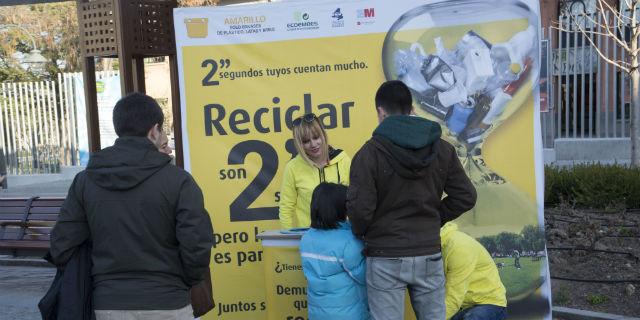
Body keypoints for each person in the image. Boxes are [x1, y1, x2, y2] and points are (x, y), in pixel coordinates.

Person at [50, 92, 214, 320]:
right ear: (154, 130)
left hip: (108, 304)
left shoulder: (84, 182)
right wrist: (180, 282)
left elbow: (62, 245)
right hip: (169, 302)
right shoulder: (179, 181)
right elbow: (197, 245)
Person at [347, 80, 477, 320]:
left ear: (380, 112)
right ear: (411, 109)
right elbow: (466, 196)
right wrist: (434, 217)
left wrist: (368, 231)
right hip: (428, 252)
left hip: (384, 254)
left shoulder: (368, 154)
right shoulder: (442, 149)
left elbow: (360, 213)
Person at [299, 183, 369, 320]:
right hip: (349, 314)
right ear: (342, 208)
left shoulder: (306, 238)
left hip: (316, 313)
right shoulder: (349, 241)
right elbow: (365, 276)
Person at [279, 113, 351, 229]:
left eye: (316, 137)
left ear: (323, 134)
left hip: (342, 236)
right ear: (299, 143)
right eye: (306, 141)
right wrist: (290, 239)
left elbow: (356, 199)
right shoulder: (292, 167)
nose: (313, 144)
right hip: (309, 238)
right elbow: (286, 208)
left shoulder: (344, 160)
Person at [441, 222, 507, 320]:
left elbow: (454, 296)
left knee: (471, 318)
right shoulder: (436, 246)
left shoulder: (459, 247)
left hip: (489, 303)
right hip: (463, 306)